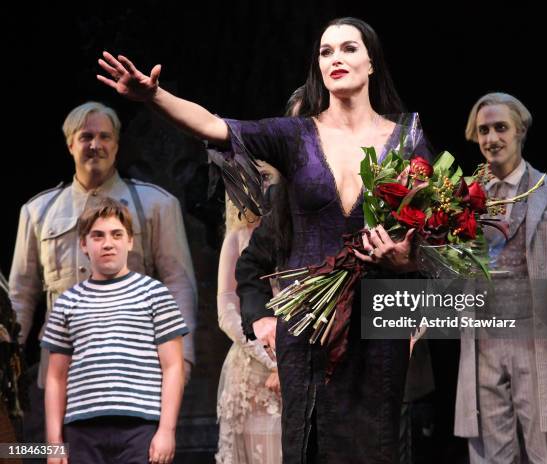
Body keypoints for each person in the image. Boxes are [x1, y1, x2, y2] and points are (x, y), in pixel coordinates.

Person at [98, 17, 433, 462]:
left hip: (377, 328)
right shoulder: (295, 135)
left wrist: (405, 259)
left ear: (371, 62)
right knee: (309, 448)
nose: (336, 58)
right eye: (325, 51)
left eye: (348, 49)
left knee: (376, 449)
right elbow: (214, 126)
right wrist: (154, 96)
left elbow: (432, 239)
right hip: (310, 328)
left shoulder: (408, 139)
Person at [9, 101, 197, 393]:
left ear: (117, 145)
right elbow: (21, 295)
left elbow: (178, 285)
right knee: (58, 441)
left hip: (134, 362)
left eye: (104, 137)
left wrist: (181, 357)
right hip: (64, 367)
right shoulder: (38, 211)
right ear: (71, 144)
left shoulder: (155, 205)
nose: (95, 145)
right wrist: (8, 360)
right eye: (86, 137)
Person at [455, 92, 547, 463]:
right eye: (483, 130)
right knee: (490, 454)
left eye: (501, 127)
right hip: (483, 344)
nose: (492, 139)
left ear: (521, 131)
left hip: (539, 345)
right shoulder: (461, 203)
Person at [42, 197, 188, 464]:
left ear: (130, 241)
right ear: (84, 244)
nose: (107, 243)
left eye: (116, 234)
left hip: (140, 426)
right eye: (97, 236)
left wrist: (167, 430)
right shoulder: (67, 302)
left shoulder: (154, 294)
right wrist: (54, 443)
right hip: (82, 428)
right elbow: (55, 376)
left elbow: (173, 366)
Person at [216, 160, 283, 464]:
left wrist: (289, 358)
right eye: (253, 179)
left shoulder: (301, 232)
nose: (261, 185)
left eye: (267, 176)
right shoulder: (238, 237)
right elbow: (227, 306)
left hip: (300, 362)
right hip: (252, 371)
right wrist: (268, 355)